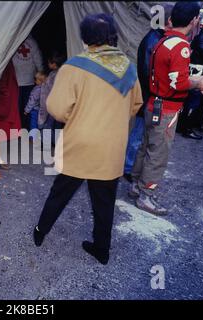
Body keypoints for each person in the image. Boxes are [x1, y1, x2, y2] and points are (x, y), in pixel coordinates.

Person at [33, 14, 143, 265]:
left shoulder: (74, 66)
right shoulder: (128, 66)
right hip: (111, 148)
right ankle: (102, 250)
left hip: (81, 144)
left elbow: (57, 109)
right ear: (111, 35)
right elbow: (136, 104)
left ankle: (40, 232)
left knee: (60, 193)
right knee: (104, 202)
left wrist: (79, 115)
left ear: (85, 37)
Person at [129, 2, 203, 216]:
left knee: (146, 146)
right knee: (158, 152)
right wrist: (198, 83)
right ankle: (146, 194)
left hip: (154, 102)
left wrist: (194, 79)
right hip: (167, 107)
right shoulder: (181, 46)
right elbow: (178, 83)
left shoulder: (163, 40)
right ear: (194, 20)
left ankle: (135, 184)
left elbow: (168, 76)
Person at [123, 4, 174, 182]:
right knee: (138, 134)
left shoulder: (156, 38)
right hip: (147, 95)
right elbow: (147, 71)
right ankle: (128, 167)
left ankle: (130, 166)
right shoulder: (153, 39)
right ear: (168, 20)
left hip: (148, 95)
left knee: (140, 134)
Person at [12, 34, 44, 130]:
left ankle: (17, 128)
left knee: (16, 108)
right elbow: (38, 60)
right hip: (30, 80)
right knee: (30, 107)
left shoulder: (13, 39)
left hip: (16, 80)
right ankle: (26, 129)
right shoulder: (33, 42)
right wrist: (42, 74)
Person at [38, 52, 67, 149]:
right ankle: (56, 142)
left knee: (48, 124)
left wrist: (45, 82)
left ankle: (46, 143)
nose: (48, 64)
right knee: (57, 124)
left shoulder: (55, 75)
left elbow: (53, 88)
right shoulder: (60, 73)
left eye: (49, 63)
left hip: (51, 103)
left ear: (54, 64)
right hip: (57, 104)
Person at [24, 71, 47, 139]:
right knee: (41, 124)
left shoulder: (37, 90)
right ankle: (40, 136)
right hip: (43, 110)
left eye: (36, 79)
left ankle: (33, 137)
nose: (34, 80)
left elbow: (32, 101)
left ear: (40, 81)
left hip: (35, 110)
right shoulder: (46, 89)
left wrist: (26, 110)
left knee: (33, 124)